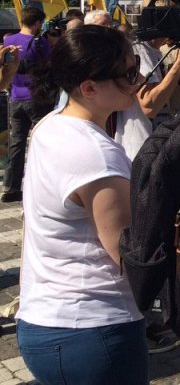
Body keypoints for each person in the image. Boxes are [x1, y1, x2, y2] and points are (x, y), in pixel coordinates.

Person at [16, 25, 149, 384]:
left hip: (47, 318)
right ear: (89, 87)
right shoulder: (95, 152)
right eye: (127, 74)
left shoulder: (51, 126)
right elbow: (128, 252)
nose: (136, 80)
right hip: (93, 326)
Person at [115, 25, 180, 162]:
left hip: (153, 144)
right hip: (140, 148)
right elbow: (149, 105)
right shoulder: (139, 50)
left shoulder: (153, 51)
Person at [2, 5, 54, 202]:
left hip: (15, 97)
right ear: (38, 23)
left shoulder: (9, 41)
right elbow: (51, 64)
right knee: (45, 141)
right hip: (37, 97)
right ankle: (44, 185)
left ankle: (11, 187)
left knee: (16, 144)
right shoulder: (39, 42)